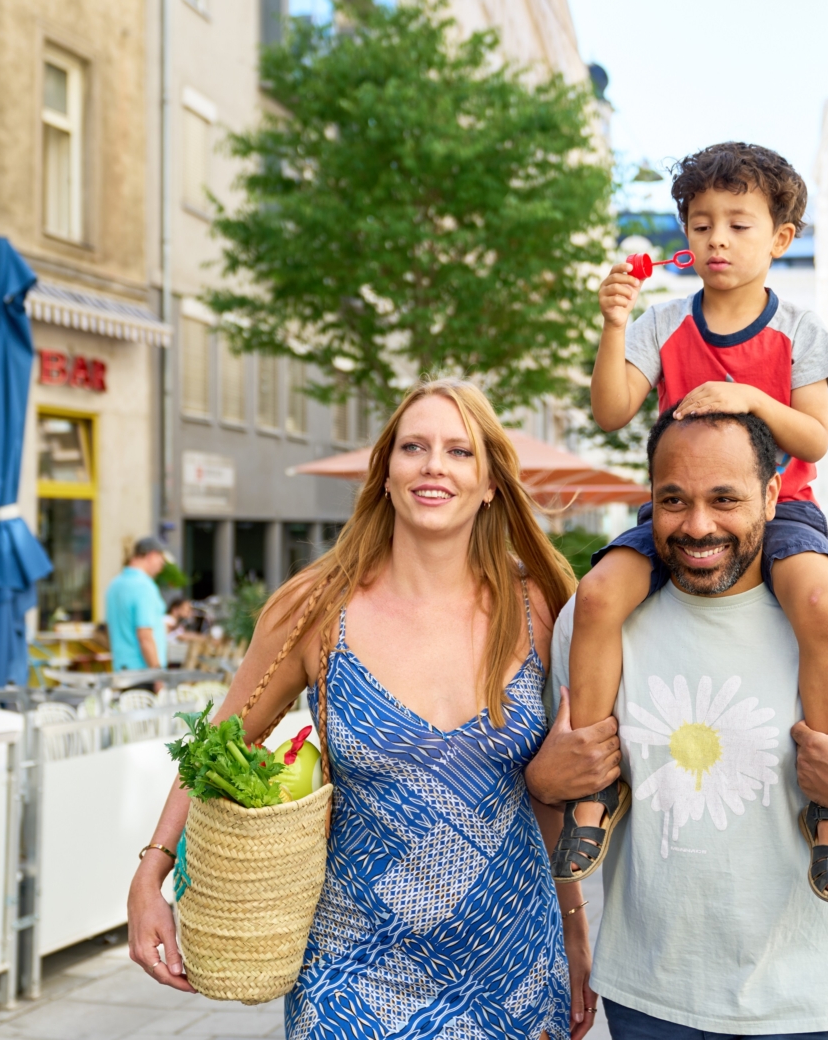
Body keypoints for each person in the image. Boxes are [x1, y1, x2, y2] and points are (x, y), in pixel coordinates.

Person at [127, 379, 607, 1040]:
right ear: (386, 474)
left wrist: (575, 926)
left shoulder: (540, 607)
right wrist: (151, 875)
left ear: (491, 481)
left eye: (459, 452)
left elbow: (550, 795)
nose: (434, 465)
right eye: (414, 447)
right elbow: (216, 744)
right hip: (351, 974)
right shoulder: (317, 609)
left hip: (512, 965)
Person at [537, 407, 828, 1040]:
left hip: (809, 1011)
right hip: (647, 1002)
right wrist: (545, 786)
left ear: (770, 496)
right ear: (650, 500)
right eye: (673, 500)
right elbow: (543, 798)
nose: (698, 525)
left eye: (725, 499)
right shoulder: (593, 623)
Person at [559, 142, 828, 903]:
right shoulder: (663, 324)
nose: (717, 240)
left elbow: (816, 440)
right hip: (675, 510)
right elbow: (612, 409)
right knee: (596, 599)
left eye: (738, 224)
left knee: (821, 604)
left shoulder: (800, 331)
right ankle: (595, 786)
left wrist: (749, 399)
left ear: (780, 238)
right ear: (685, 238)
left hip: (781, 508)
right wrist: (612, 325)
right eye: (700, 225)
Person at [105, 537, 170, 674]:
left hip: (121, 670)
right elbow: (145, 636)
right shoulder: (144, 586)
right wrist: (158, 674)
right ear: (152, 555)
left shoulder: (114, 584)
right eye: (161, 559)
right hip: (144, 672)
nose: (162, 565)